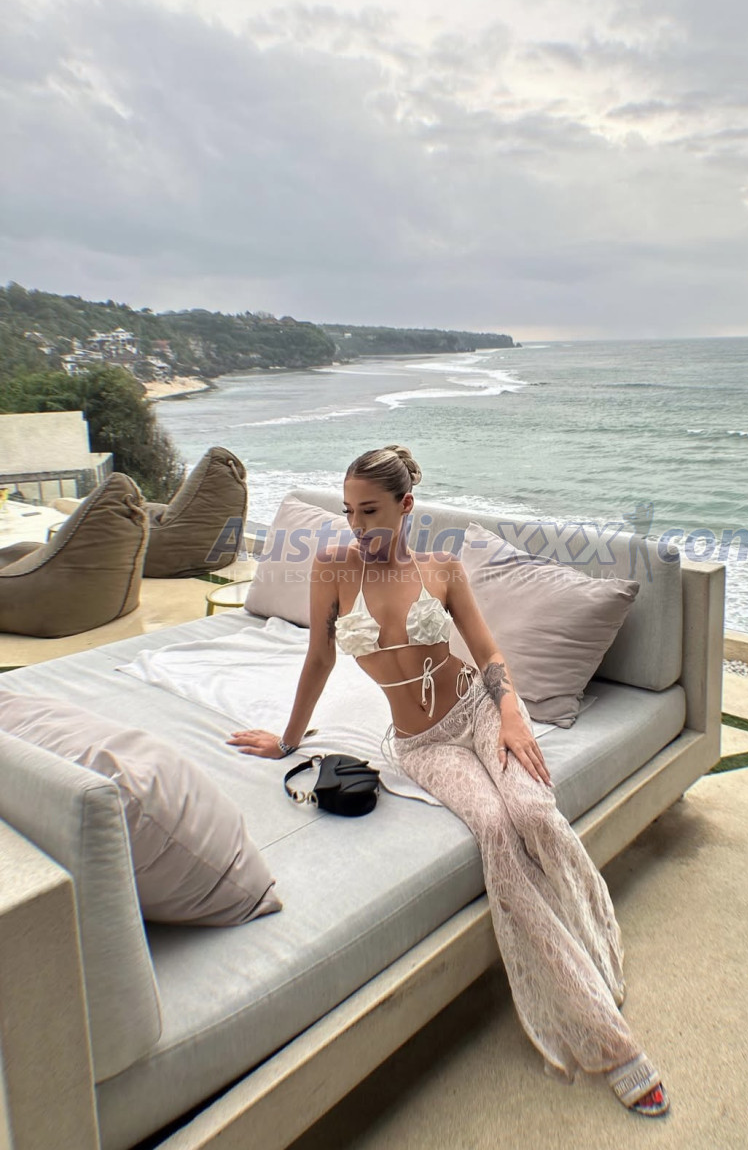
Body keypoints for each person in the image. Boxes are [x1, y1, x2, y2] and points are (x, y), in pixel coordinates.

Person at [227, 444, 670, 1117]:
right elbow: (318, 658)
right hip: (421, 744)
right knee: (494, 829)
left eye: (370, 511)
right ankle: (611, 1041)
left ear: (405, 505)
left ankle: (590, 929)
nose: (357, 526)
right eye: (348, 512)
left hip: (479, 711)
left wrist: (512, 714)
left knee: (533, 814)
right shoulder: (334, 569)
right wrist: (288, 739)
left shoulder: (442, 568)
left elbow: (488, 653)